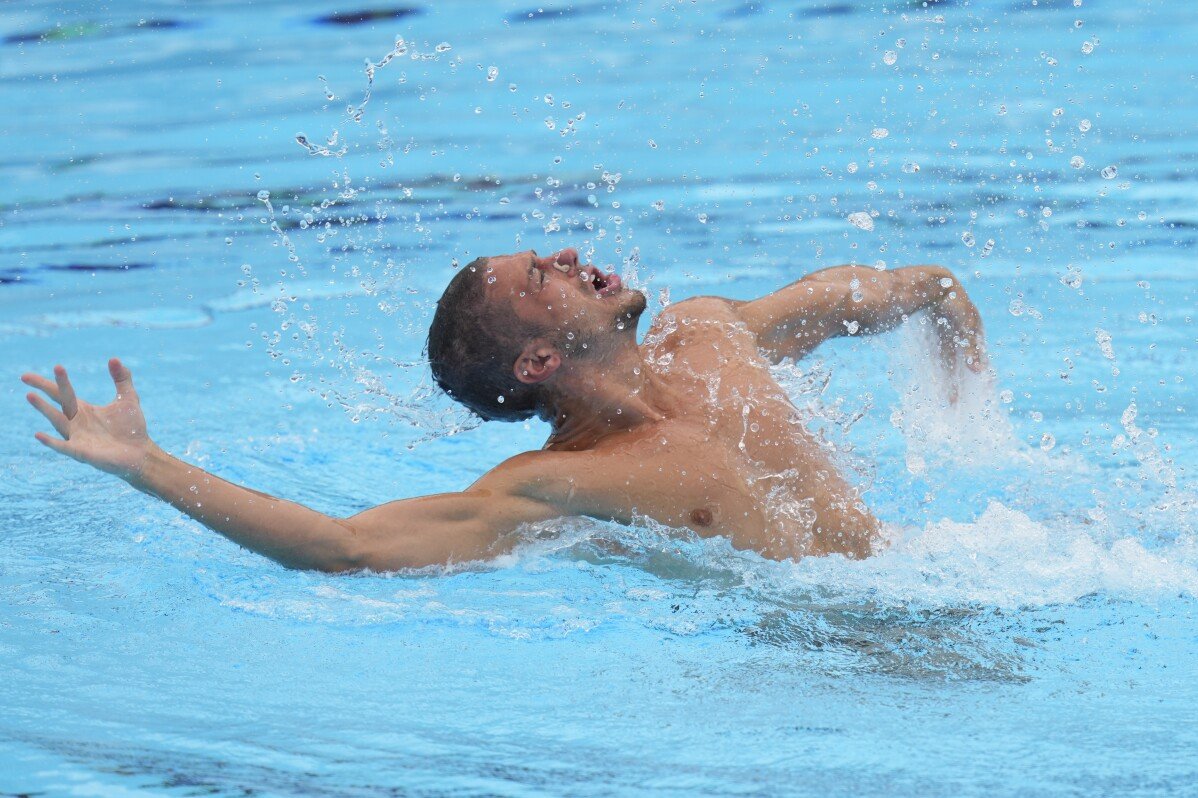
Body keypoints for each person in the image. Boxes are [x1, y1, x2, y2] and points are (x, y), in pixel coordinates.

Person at [22, 248, 986, 571]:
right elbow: (343, 548)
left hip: (940, 580)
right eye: (542, 275)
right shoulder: (564, 482)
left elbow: (902, 291)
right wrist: (147, 466)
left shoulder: (711, 333)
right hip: (835, 674)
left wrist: (965, 399)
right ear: (537, 357)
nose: (568, 256)